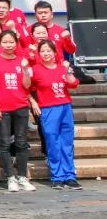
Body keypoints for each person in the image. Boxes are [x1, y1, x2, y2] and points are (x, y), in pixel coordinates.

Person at [0, 30, 36, 193]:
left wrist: (26, 71)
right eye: (5, 42)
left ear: (16, 43)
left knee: (21, 142)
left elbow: (27, 85)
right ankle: (10, 178)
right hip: (2, 108)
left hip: (20, 106)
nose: (8, 45)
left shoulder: (22, 60)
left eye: (11, 42)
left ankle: (22, 177)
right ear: (0, 43)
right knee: (4, 143)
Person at [29, 40, 82, 190]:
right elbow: (26, 87)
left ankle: (70, 176)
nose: (46, 54)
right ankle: (57, 176)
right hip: (48, 109)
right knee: (53, 142)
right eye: (43, 51)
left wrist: (68, 71)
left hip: (65, 107)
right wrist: (33, 102)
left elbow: (73, 83)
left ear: (54, 53)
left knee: (67, 142)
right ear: (39, 54)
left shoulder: (61, 68)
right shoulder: (35, 70)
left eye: (49, 51)